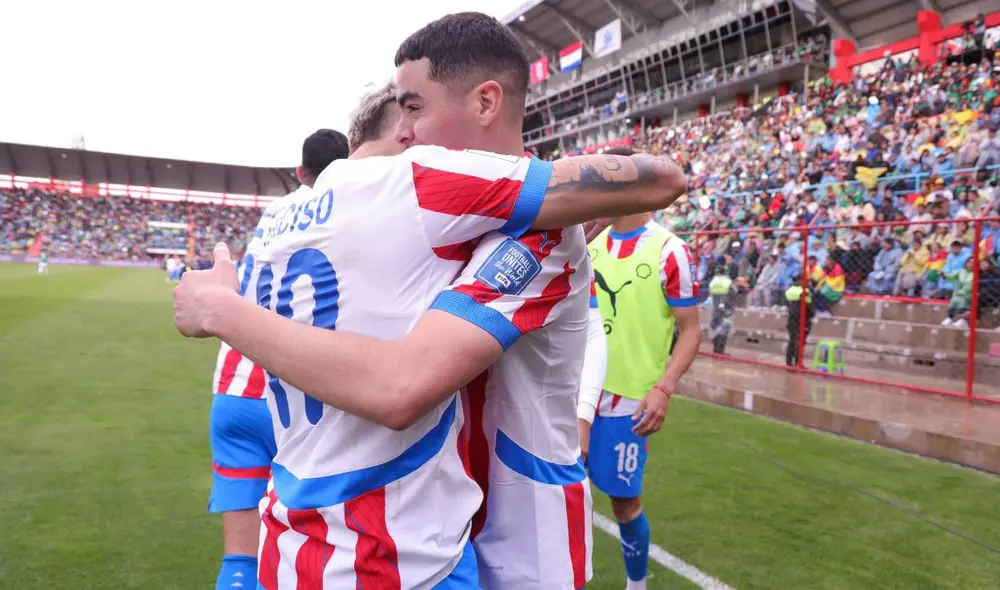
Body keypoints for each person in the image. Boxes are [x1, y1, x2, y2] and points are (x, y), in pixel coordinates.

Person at [174, 25, 688, 590]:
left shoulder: (535, 233)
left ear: (487, 101)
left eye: (415, 108)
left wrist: (224, 311)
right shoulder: (444, 220)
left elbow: (404, 384)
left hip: (518, 542)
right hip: (439, 531)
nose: (407, 131)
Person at [207, 129, 349, 590]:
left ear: (298, 172)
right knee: (313, 554)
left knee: (239, 561)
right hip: (299, 395)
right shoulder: (354, 210)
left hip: (234, 385)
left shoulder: (273, 213)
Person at [577, 150, 701, 590]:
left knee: (624, 504)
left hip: (628, 403)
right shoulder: (585, 246)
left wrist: (663, 388)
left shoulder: (671, 251)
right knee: (562, 498)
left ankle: (636, 585)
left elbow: (691, 330)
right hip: (573, 399)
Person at [785, 275, 814, 367]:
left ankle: (789, 361)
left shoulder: (789, 290)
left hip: (791, 317)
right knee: (800, 341)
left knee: (792, 340)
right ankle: (798, 362)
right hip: (803, 318)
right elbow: (809, 306)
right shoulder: (805, 291)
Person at [708, 264, 737, 353]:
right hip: (726, 309)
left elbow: (711, 294)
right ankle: (720, 350)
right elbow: (734, 292)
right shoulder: (727, 282)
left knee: (715, 327)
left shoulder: (713, 282)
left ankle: (715, 348)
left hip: (715, 309)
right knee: (724, 329)